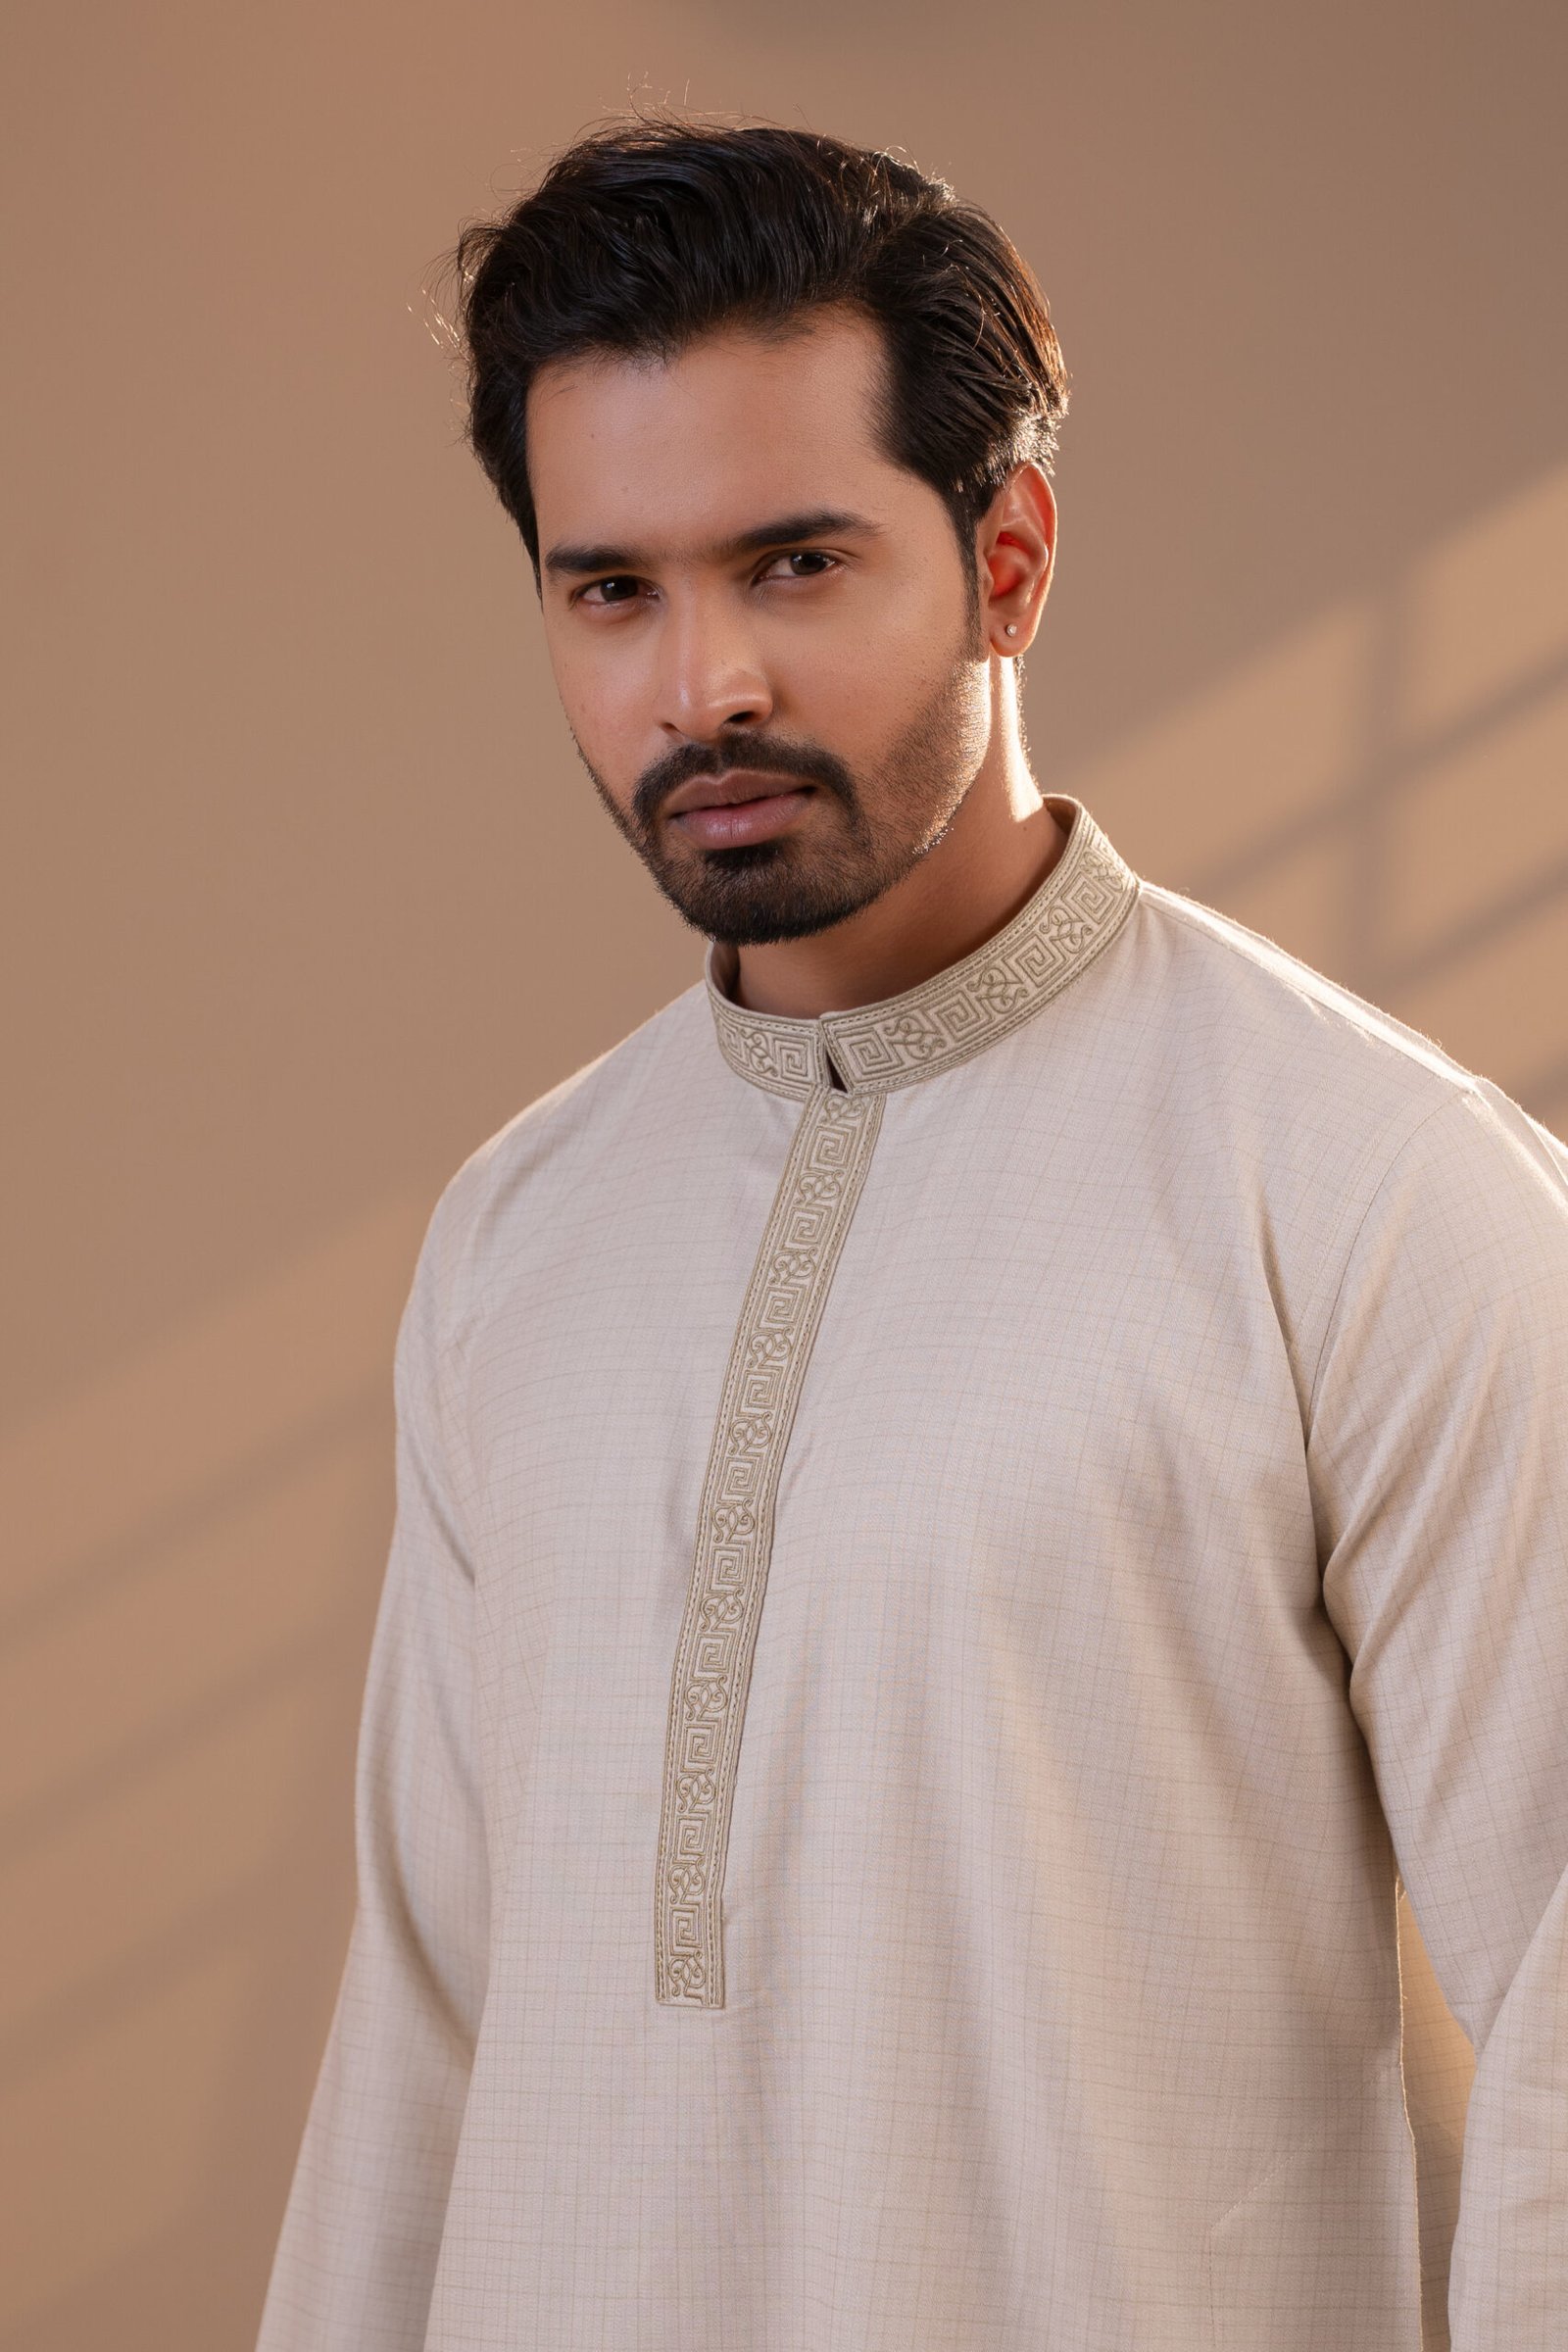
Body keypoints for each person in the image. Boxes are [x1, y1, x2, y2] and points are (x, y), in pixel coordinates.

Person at [254, 111, 1568, 2352]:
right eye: (609, 590)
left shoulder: (1366, 1194)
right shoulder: (513, 1238)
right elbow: (422, 2035)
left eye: (792, 564)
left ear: (1007, 559)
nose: (701, 687)